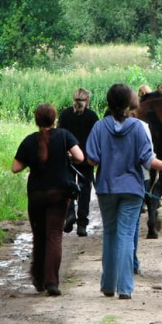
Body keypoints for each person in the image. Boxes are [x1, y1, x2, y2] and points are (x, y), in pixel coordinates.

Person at [86, 84, 162, 300]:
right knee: (125, 236)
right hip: (132, 189)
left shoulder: (99, 127)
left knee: (110, 234)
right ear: (129, 102)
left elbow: (92, 159)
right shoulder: (138, 127)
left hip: (106, 188)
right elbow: (148, 160)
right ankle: (125, 287)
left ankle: (108, 285)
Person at [12, 103, 84, 296]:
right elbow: (80, 157)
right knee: (54, 235)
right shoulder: (64, 136)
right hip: (59, 194)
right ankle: (52, 281)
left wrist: (31, 160)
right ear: (55, 119)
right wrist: (67, 158)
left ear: (36, 120)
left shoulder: (29, 141)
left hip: (36, 194)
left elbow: (15, 168)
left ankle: (38, 280)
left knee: (39, 236)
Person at [58, 88, 100, 237]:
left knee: (68, 188)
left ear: (73, 99)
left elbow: (60, 136)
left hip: (68, 159)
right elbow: (97, 138)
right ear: (87, 100)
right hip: (86, 160)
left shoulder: (64, 115)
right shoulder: (92, 117)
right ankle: (82, 224)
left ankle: (69, 214)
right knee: (85, 191)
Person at [128, 92, 152, 276]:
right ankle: (132, 261)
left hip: (112, 182)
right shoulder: (143, 127)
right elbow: (148, 156)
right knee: (134, 224)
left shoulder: (103, 126)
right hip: (138, 179)